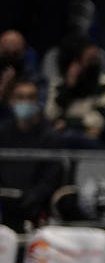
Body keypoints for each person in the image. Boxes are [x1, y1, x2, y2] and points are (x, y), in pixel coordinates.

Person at [0, 77, 63, 230]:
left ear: (37, 102)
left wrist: (33, 196)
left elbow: (51, 178)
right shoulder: (2, 133)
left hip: (34, 206)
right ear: (11, 101)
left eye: (30, 98)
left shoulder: (49, 137)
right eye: (20, 97)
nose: (25, 102)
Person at [46, 34, 105, 146]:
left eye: (94, 59)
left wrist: (68, 123)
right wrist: (69, 86)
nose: (93, 64)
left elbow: (98, 120)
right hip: (61, 137)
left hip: (96, 139)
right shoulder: (59, 85)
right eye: (88, 60)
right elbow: (51, 115)